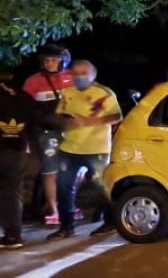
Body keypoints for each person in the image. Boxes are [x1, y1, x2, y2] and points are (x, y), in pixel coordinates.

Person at [48, 60, 122, 240]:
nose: (80, 77)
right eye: (76, 73)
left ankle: (110, 222)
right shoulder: (68, 93)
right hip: (70, 147)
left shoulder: (104, 93)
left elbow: (117, 116)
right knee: (64, 187)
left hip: (96, 148)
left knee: (101, 187)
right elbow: (60, 115)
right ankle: (67, 226)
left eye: (84, 73)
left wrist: (89, 122)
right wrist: (64, 123)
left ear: (93, 74)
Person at [22, 43, 73, 225]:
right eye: (47, 60)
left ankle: (67, 204)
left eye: (54, 60)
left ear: (63, 62)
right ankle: (54, 209)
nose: (50, 63)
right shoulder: (33, 82)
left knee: (74, 170)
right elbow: (25, 110)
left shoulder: (72, 78)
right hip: (45, 132)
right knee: (50, 170)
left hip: (72, 132)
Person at [0, 71, 36, 249]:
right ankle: (13, 235)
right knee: (13, 193)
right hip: (17, 151)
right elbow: (34, 123)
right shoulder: (26, 98)